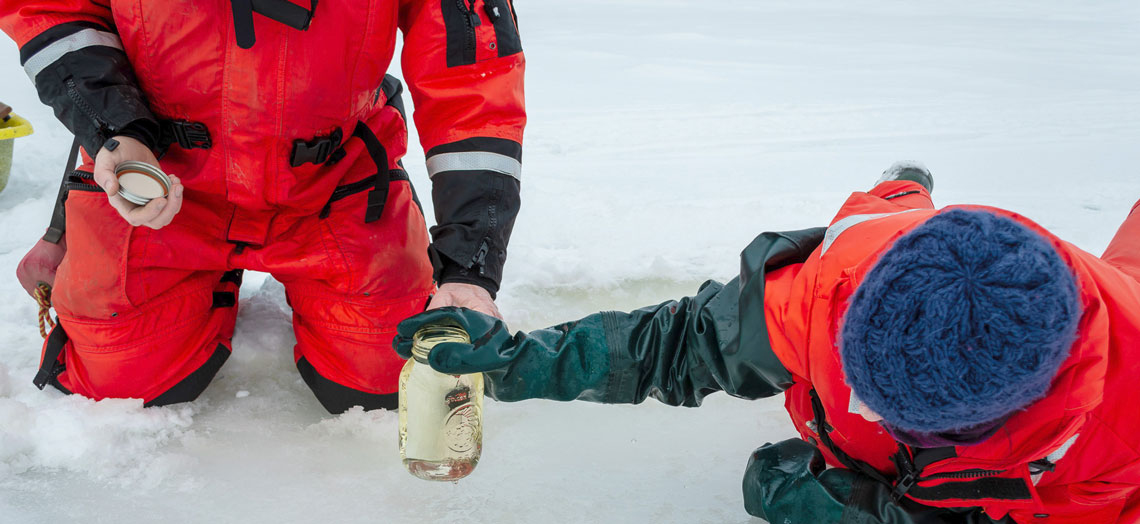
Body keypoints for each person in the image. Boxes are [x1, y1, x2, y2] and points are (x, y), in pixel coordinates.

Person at [395, 163, 1140, 523]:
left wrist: (889, 515)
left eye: (890, 412)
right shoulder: (834, 291)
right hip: (888, 235)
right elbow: (679, 344)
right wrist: (523, 359)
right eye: (857, 381)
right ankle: (902, 185)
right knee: (882, 209)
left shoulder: (1116, 442)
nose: (860, 408)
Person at [2, 0, 526, 413]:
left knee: (388, 386)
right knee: (114, 389)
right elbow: (56, 9)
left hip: (333, 183)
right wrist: (114, 130)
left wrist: (470, 267)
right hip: (160, 179)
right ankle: (199, 287)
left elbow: (472, 86)